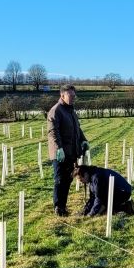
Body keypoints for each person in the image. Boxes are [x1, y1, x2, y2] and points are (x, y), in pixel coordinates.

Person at [47, 85, 89, 217]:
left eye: (73, 96)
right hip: (60, 154)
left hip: (71, 153)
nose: (72, 98)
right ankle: (58, 208)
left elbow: (78, 129)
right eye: (70, 96)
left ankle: (63, 207)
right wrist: (59, 149)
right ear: (62, 96)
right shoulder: (56, 111)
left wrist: (83, 140)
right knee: (60, 180)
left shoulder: (71, 111)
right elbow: (53, 132)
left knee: (68, 180)